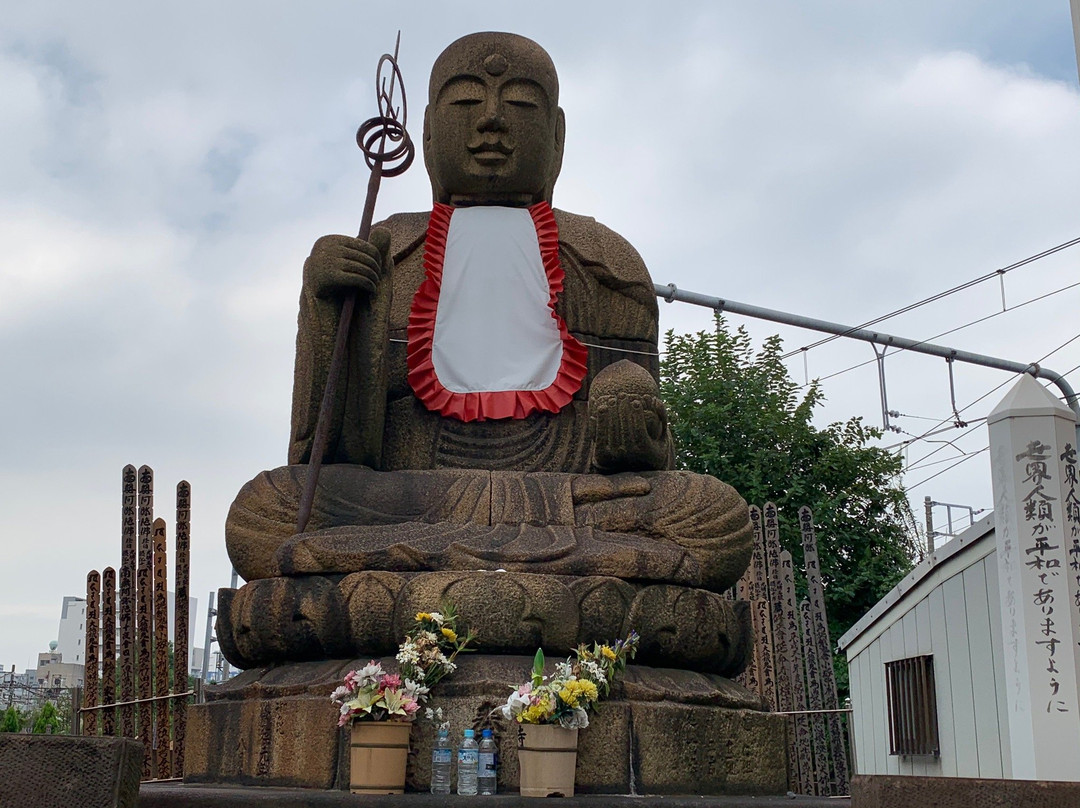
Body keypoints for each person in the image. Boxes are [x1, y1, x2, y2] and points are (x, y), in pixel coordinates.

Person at [226, 32, 751, 596]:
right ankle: (551, 585)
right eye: (466, 104)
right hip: (410, 498)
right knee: (266, 512)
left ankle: (414, 582)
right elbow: (335, 452)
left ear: (558, 134)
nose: (493, 122)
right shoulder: (387, 250)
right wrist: (327, 303)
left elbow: (645, 462)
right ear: (428, 132)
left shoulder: (604, 263)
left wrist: (631, 417)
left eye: (521, 105)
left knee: (711, 519)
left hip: (565, 502)